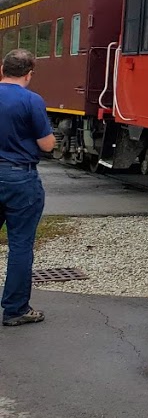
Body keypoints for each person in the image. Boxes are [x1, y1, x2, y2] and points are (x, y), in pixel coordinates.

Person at [0, 49, 55, 327]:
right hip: (20, 178)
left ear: (2, 69)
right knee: (20, 245)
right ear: (29, 73)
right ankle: (15, 310)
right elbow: (47, 145)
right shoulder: (32, 101)